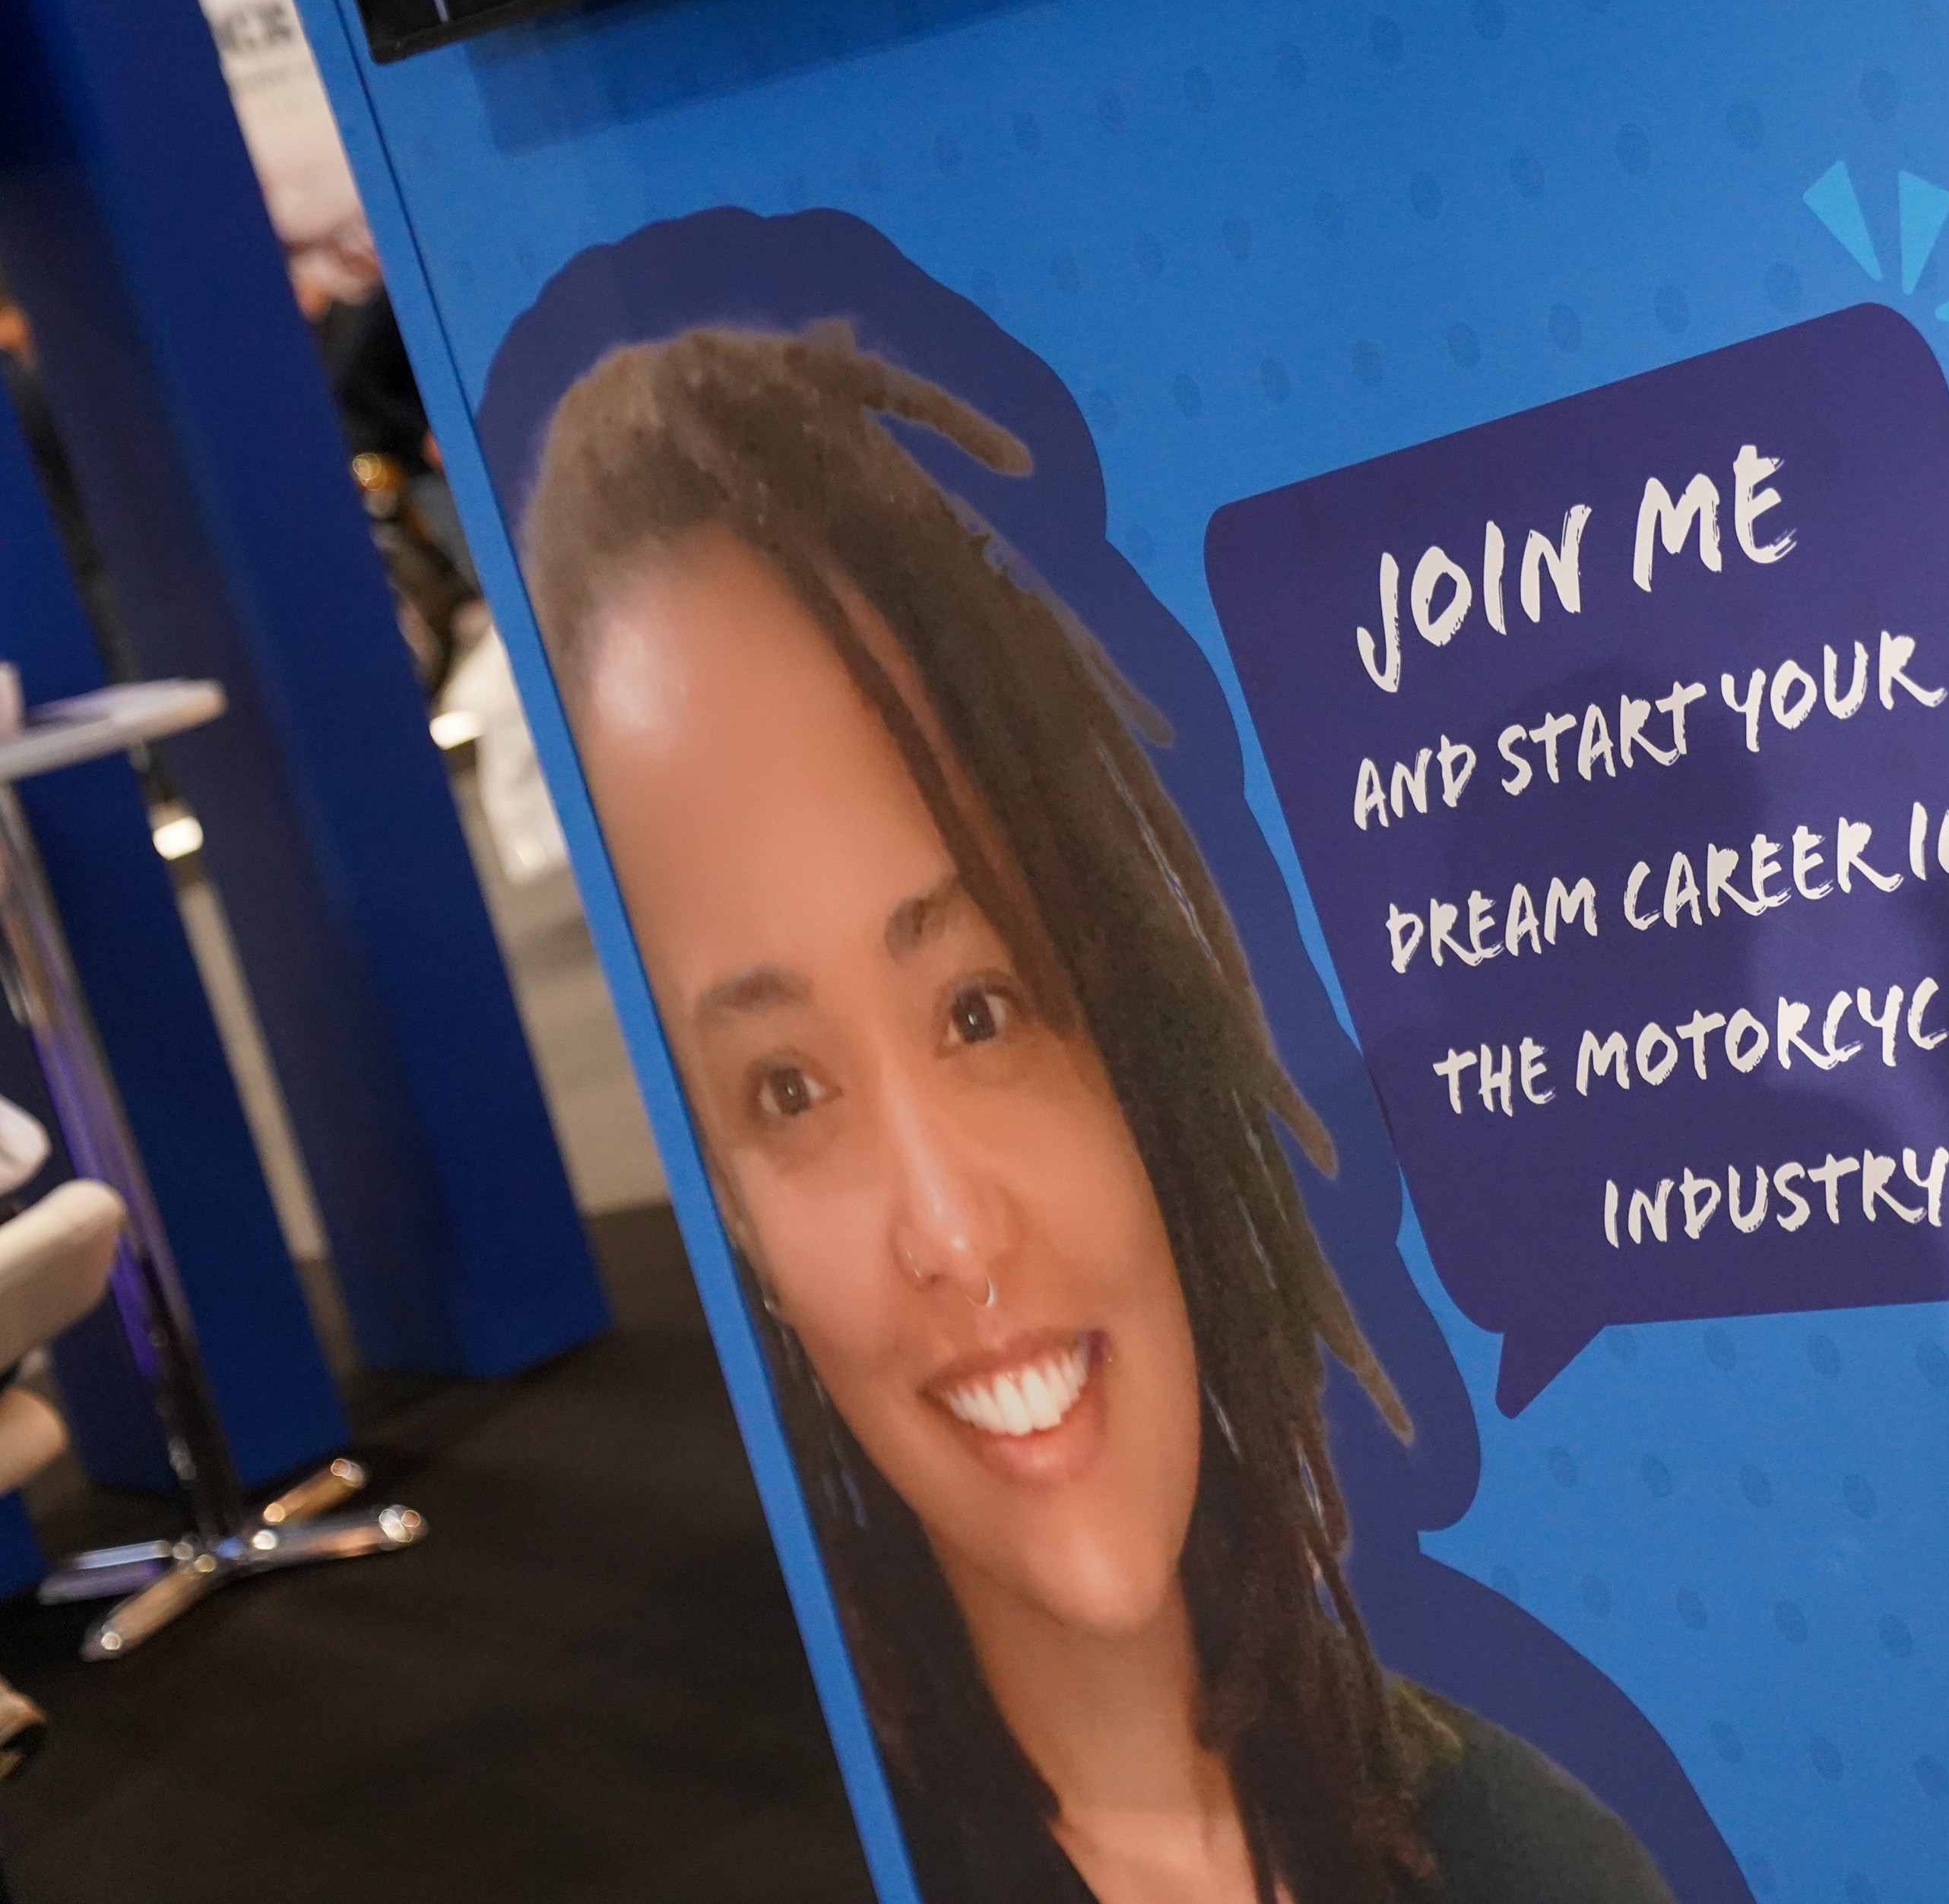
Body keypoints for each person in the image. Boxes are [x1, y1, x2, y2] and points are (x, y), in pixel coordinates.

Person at [517, 325, 1675, 1904]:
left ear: (1138, 1024)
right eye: (787, 1090)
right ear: (725, 1202)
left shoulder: (1524, 1856)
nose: (948, 1228)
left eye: (979, 1008)